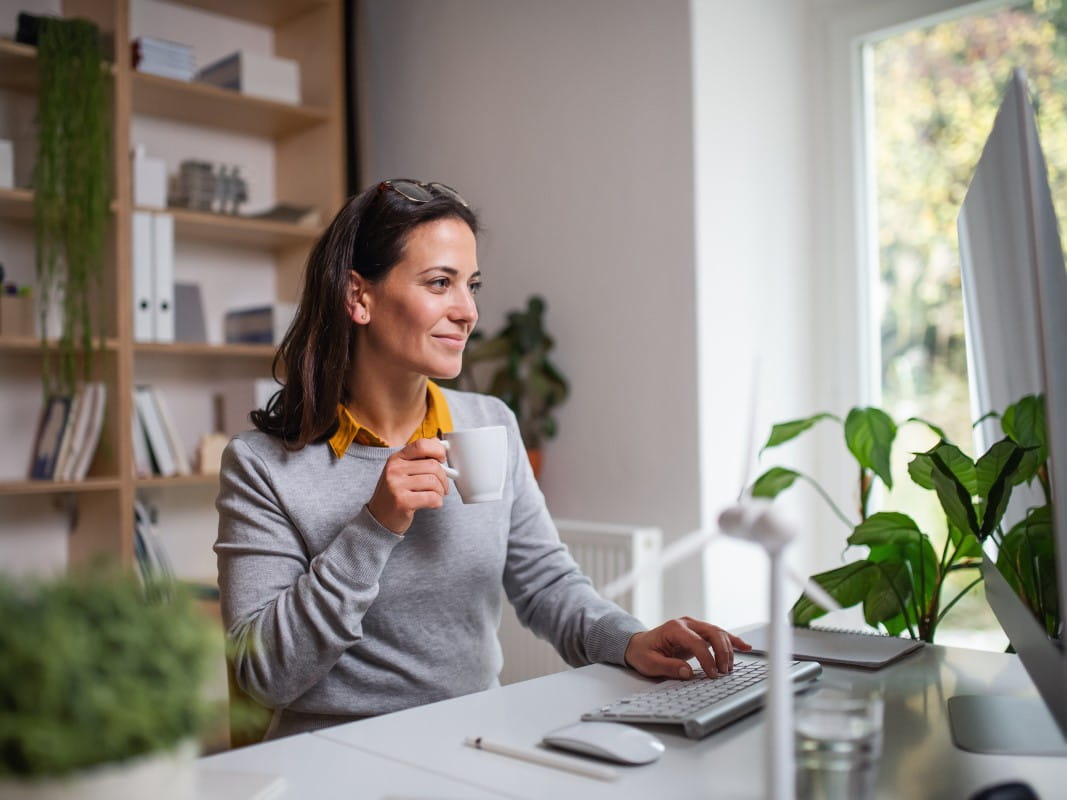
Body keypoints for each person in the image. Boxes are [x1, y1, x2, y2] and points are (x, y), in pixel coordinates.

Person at [215, 178, 750, 739]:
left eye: (471, 285)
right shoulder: (261, 467)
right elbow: (263, 674)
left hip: (474, 738)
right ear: (358, 297)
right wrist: (372, 528)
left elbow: (546, 585)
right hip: (336, 753)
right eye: (439, 283)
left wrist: (630, 640)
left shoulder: (488, 423)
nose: (467, 311)